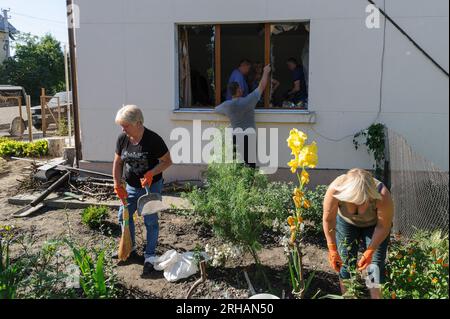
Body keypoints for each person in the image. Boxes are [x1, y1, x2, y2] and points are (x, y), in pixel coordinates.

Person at [113, 105, 173, 276]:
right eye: (121, 125)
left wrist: (152, 173)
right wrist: (117, 184)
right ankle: (129, 249)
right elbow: (118, 163)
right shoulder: (122, 139)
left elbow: (167, 161)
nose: (122, 128)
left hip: (150, 187)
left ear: (138, 123)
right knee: (123, 217)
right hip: (131, 187)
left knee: (150, 221)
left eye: (125, 125)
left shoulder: (153, 140)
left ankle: (150, 256)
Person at [322, 168, 394, 299]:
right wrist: (332, 248)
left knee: (375, 265)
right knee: (345, 262)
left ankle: (375, 297)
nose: (357, 207)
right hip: (346, 223)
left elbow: (383, 226)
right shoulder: (335, 190)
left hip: (374, 225)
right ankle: (348, 297)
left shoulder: (382, 194)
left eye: (361, 202)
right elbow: (329, 219)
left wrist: (370, 251)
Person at [215, 64, 272, 168]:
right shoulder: (248, 101)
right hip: (250, 136)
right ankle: (249, 184)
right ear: (239, 91)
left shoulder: (227, 105)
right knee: (250, 165)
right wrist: (265, 72)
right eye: (240, 88)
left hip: (236, 136)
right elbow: (262, 86)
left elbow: (216, 110)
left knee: (238, 164)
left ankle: (240, 184)